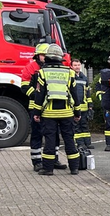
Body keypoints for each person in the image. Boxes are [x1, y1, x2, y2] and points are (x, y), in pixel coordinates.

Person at [31, 44, 81, 175]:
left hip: (49, 113)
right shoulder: (69, 72)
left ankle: (48, 169)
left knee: (50, 140)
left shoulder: (43, 72)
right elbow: (75, 95)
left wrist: (37, 113)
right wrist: (77, 112)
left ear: (47, 57)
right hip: (67, 113)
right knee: (69, 139)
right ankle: (74, 168)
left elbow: (39, 95)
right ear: (60, 58)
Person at [23, 43, 64, 171]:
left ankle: (54, 159)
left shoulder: (54, 68)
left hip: (51, 107)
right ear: (37, 56)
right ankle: (37, 161)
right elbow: (24, 86)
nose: (45, 57)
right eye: (42, 55)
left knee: (54, 134)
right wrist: (37, 95)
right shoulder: (31, 68)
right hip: (36, 107)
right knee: (37, 134)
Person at [70, 58, 93, 151]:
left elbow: (88, 93)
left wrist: (90, 106)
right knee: (77, 127)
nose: (77, 67)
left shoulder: (84, 78)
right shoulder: (70, 77)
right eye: (75, 65)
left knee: (85, 126)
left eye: (78, 65)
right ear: (71, 66)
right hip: (74, 107)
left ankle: (88, 143)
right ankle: (80, 144)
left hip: (84, 107)